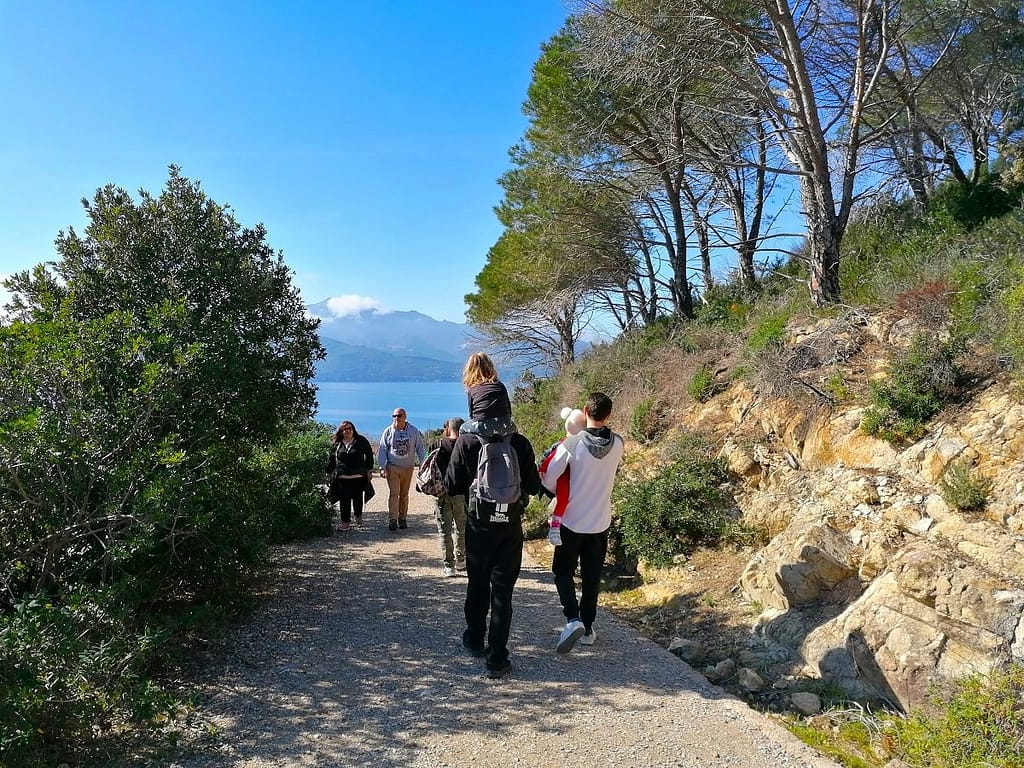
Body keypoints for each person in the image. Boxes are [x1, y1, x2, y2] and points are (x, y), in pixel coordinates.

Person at [444, 391, 541, 680]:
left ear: (475, 409)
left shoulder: (467, 442)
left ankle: (474, 639)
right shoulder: (520, 443)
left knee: (477, 584)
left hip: (478, 526)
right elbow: (534, 486)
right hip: (510, 528)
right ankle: (497, 658)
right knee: (503, 593)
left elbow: (451, 485)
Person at [540, 392, 624, 654]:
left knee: (562, 572)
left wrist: (560, 493)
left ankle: (572, 618)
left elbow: (549, 475)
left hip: (572, 521)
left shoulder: (572, 443)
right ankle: (587, 627)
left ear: (585, 410)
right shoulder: (620, 443)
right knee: (591, 577)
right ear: (609, 415)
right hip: (600, 521)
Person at [538, 406, 587, 546]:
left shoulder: (567, 442)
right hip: (564, 476)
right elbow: (551, 458)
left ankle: (555, 526)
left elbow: (549, 459)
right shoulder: (566, 443)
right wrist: (543, 468)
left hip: (569, 476)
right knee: (563, 500)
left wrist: (543, 468)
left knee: (564, 500)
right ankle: (555, 528)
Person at [378, 407, 426, 532]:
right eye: (394, 416)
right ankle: (393, 519)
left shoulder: (413, 431)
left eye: (399, 416)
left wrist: (422, 463)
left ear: (405, 417)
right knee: (394, 493)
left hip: (408, 468)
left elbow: (420, 447)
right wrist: (382, 467)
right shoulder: (388, 432)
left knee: (404, 494)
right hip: (392, 467)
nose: (396, 418)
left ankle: (402, 518)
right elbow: (382, 449)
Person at [432, 417, 467, 577]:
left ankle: (448, 566)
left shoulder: (438, 445)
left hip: (440, 492)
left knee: (444, 530)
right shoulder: (466, 445)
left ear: (448, 429)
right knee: (462, 528)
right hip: (460, 492)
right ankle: (461, 561)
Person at [326, 420, 375, 531]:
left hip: (358, 477)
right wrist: (328, 473)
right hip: (342, 478)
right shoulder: (337, 443)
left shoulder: (361, 440)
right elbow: (332, 460)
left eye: (350, 428)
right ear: (341, 431)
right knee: (344, 500)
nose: (347, 431)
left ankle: (359, 518)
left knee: (358, 499)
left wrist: (369, 471)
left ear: (353, 430)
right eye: (345, 429)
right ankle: (345, 523)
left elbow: (369, 456)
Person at [460, 352, 514, 435]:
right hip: (504, 424)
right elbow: (509, 411)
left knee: (462, 429)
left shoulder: (473, 389)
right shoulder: (500, 385)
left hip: (482, 426)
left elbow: (472, 415)